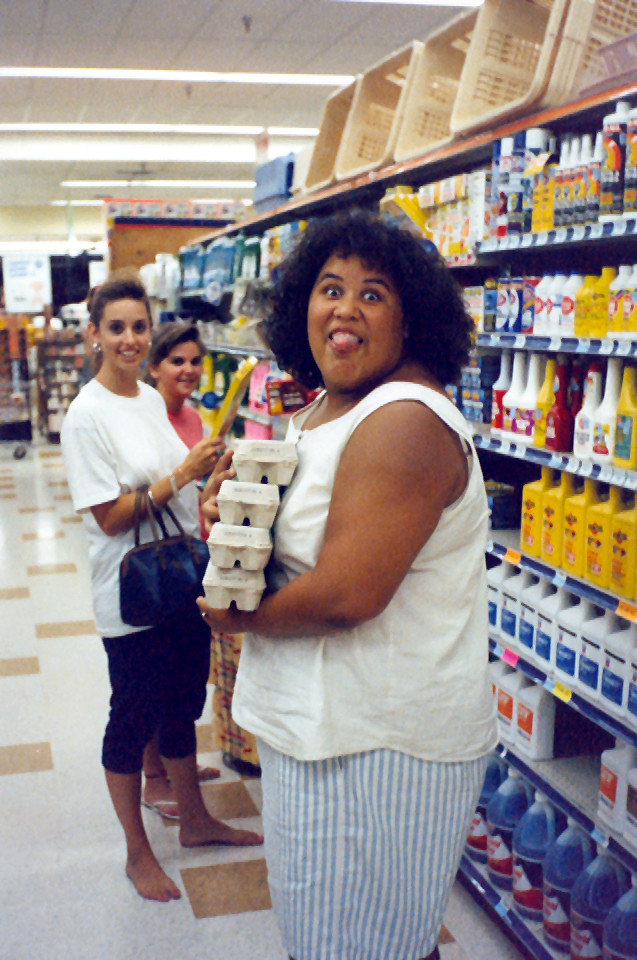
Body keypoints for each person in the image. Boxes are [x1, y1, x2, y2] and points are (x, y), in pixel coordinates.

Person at [197, 209, 498, 960]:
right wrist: (237, 524)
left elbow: (344, 596)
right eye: (330, 288)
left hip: (376, 744)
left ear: (412, 318)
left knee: (355, 945)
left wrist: (238, 618)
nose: (343, 309)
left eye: (373, 294)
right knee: (360, 938)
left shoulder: (402, 420)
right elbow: (311, 547)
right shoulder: (333, 405)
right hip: (330, 730)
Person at [61, 271, 262, 905]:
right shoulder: (85, 416)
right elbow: (111, 516)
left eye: (138, 327)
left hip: (180, 573)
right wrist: (181, 474)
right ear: (94, 333)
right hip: (130, 591)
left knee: (182, 702)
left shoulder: (149, 400)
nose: (129, 338)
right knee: (132, 716)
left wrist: (211, 480)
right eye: (115, 327)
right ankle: (137, 852)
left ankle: (196, 820)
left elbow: (173, 498)